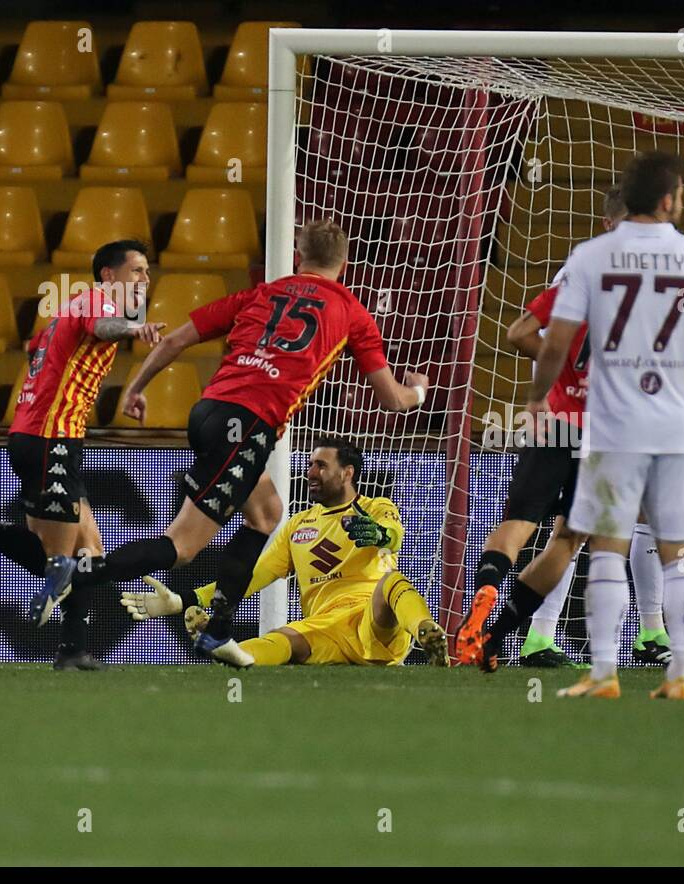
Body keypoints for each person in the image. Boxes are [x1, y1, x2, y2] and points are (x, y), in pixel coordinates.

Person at [52, 219, 430, 667]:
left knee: (267, 515)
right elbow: (391, 398)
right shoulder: (352, 312)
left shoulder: (262, 293)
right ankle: (81, 573)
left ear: (297, 259)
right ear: (344, 264)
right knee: (182, 546)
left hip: (210, 411)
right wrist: (419, 391)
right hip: (247, 425)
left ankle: (217, 630)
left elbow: (176, 339)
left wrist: (136, 387)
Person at [519, 149, 684, 699]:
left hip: (612, 422)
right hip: (673, 423)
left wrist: (536, 401)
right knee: (678, 547)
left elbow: (554, 343)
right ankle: (679, 673)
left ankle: (603, 673)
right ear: (671, 200)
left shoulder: (590, 256)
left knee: (605, 545)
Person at [458, 185, 684, 668]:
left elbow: (519, 332)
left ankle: (479, 618)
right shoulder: (667, 290)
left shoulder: (582, 274)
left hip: (556, 424)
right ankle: (503, 636)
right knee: (573, 539)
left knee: (517, 527)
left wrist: (563, 368)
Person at [0, 240, 161, 670]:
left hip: (37, 438)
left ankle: (72, 649)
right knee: (61, 561)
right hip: (51, 440)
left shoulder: (68, 313)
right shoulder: (93, 303)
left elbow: (49, 353)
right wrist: (134, 329)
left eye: (147, 272)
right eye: (137, 271)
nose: (145, 280)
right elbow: (104, 327)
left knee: (88, 551)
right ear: (108, 276)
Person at [119, 437, 449, 668]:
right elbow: (255, 576)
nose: (311, 472)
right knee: (280, 641)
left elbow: (393, 537)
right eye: (310, 464)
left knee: (391, 581)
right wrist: (185, 601)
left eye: (321, 465)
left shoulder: (375, 507)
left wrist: (379, 534)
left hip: (373, 622)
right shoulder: (297, 526)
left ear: (347, 473)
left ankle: (426, 632)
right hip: (324, 628)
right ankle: (226, 650)